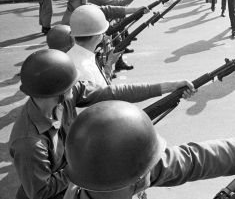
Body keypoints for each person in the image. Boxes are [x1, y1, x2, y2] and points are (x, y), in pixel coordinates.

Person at [8, 49, 196, 199]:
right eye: (70, 86)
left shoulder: (63, 96)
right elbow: (40, 192)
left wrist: (168, 87)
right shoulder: (28, 143)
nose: (75, 87)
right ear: (54, 92)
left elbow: (111, 93)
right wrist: (81, 168)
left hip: (76, 180)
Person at [62, 101, 235, 199]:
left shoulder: (100, 174)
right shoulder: (131, 173)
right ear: (137, 179)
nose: (155, 167)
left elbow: (191, 159)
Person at [67, 5, 134, 86]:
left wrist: (109, 63)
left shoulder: (70, 56)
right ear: (98, 36)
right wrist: (109, 64)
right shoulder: (87, 68)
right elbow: (103, 94)